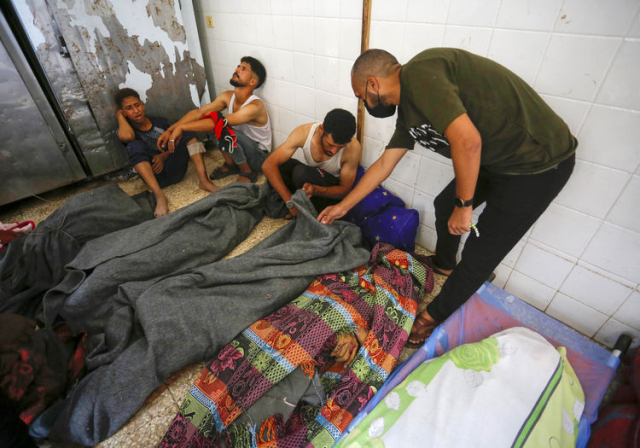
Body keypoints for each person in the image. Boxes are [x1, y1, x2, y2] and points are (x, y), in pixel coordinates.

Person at [317, 48, 577, 347]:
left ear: (373, 83)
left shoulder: (421, 72)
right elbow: (384, 164)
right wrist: (342, 206)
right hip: (495, 160)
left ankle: (432, 318)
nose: (364, 102)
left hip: (537, 165)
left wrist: (464, 206)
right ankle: (444, 263)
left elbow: (467, 140)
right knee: (444, 204)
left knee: (481, 251)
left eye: (361, 95)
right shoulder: (409, 111)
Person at [157, 56, 271, 183]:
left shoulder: (255, 106)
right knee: (210, 119)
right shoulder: (228, 96)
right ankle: (231, 164)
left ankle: (247, 172)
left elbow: (220, 122)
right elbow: (199, 112)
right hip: (241, 149)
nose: (237, 69)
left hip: (259, 157)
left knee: (219, 123)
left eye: (244, 69)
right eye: (238, 66)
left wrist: (181, 128)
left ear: (252, 81)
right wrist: (170, 130)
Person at [115, 88, 217, 217]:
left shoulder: (160, 122)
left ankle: (204, 181)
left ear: (143, 105)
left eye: (137, 105)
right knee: (134, 145)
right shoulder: (126, 130)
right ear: (123, 112)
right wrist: (119, 116)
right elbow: (128, 137)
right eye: (129, 108)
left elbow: (175, 141)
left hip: (175, 169)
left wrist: (163, 156)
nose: (136, 111)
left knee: (185, 131)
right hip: (155, 177)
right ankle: (159, 196)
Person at [262, 108, 361, 218]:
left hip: (330, 189)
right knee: (282, 165)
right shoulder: (304, 133)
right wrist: (289, 202)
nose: (334, 151)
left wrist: (316, 190)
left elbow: (344, 191)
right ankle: (296, 206)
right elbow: (268, 165)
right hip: (312, 178)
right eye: (330, 145)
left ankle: (305, 210)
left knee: (301, 173)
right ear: (321, 129)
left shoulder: (353, 148)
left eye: (340, 147)